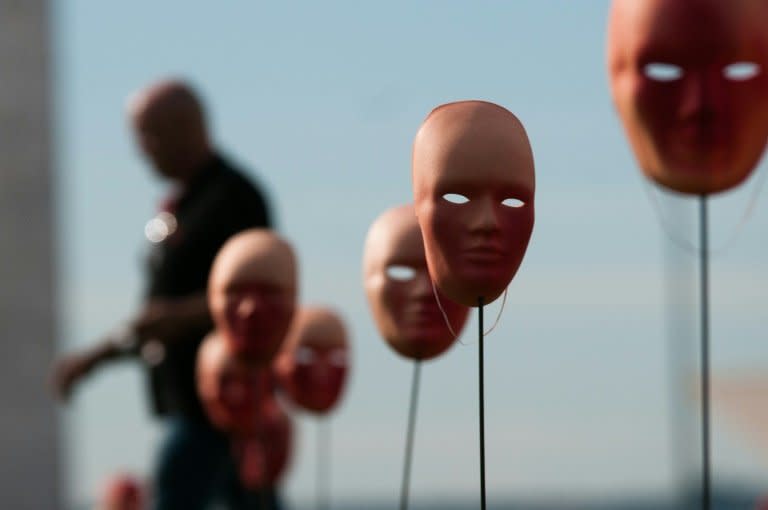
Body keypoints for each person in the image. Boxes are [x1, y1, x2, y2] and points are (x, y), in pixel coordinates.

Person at [52, 79, 276, 509]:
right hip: (192, 405)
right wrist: (102, 356)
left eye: (147, 134)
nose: (141, 148)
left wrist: (177, 318)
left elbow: (262, 295)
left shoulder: (233, 197)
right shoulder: (187, 202)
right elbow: (157, 319)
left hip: (223, 407)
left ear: (184, 127)